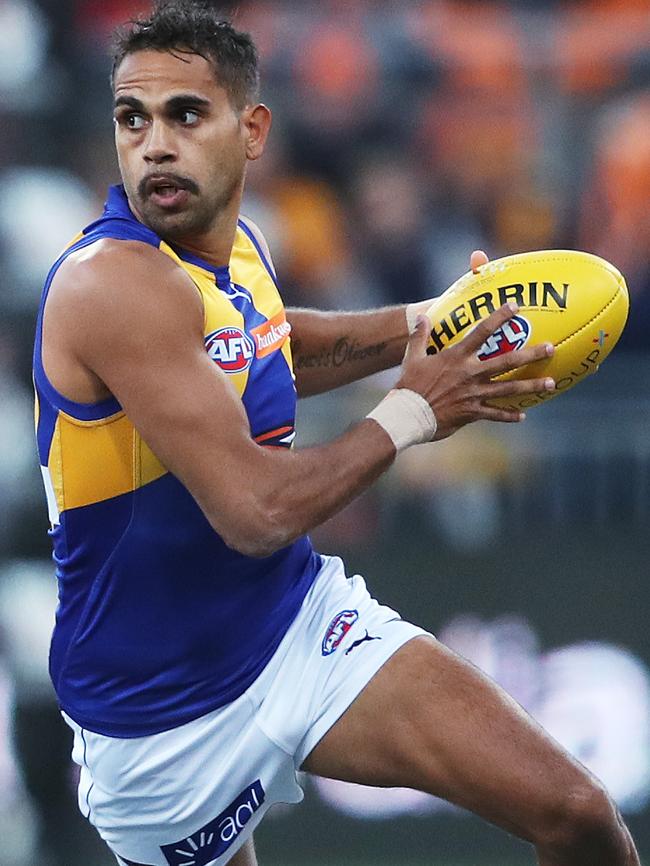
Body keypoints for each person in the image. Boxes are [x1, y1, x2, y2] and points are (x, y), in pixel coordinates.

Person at [32, 3, 640, 866]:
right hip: (159, 723)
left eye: (185, 114)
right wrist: (412, 410)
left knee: (576, 813)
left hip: (291, 625)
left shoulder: (233, 245)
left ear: (252, 130)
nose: (154, 144)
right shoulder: (109, 284)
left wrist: (420, 321)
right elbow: (254, 513)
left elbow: (269, 346)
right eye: (134, 118)